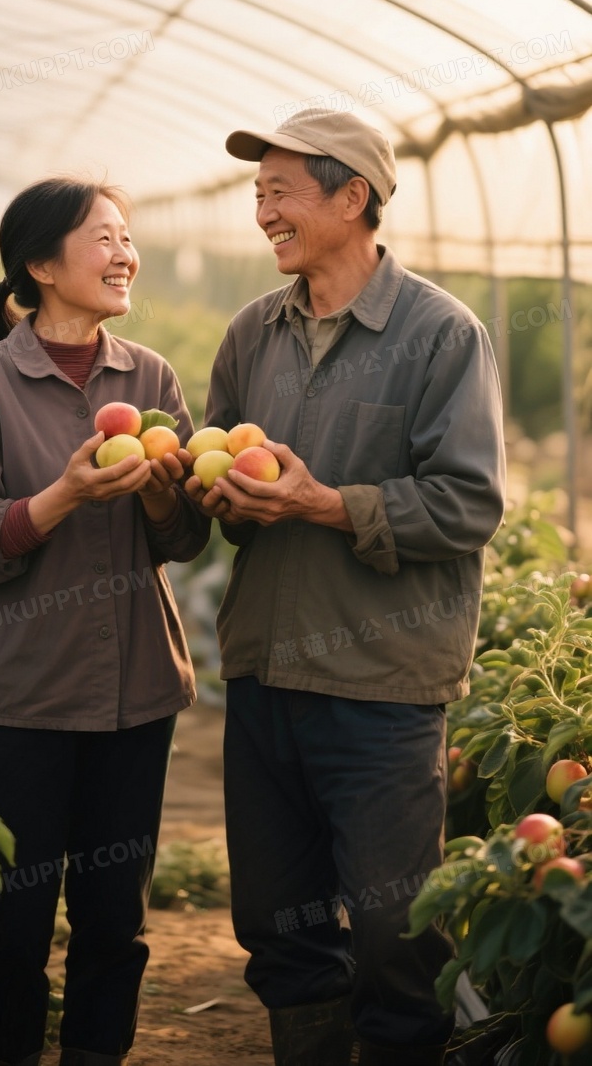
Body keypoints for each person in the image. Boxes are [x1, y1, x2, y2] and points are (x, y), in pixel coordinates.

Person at [183, 109, 506, 1066]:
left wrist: (325, 502)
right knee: (281, 931)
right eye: (257, 194)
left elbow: (468, 503)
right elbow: (232, 502)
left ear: (352, 196)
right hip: (266, 673)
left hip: (382, 687)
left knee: (395, 936)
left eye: (279, 191)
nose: (262, 211)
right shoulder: (253, 334)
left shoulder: (443, 334)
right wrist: (223, 496)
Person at [0, 177, 209, 1066]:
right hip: (19, 697)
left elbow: (187, 536)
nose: (125, 253)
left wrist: (168, 498)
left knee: (114, 919)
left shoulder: (149, 377)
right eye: (104, 238)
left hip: (136, 691)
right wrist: (59, 498)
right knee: (13, 922)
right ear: (41, 265)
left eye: (128, 237)